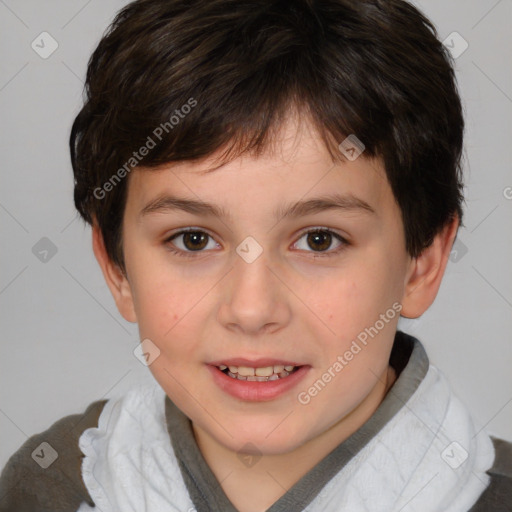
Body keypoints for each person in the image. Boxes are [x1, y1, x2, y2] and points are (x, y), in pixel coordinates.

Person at [1, 0, 511, 510]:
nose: (251, 309)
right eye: (193, 240)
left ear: (421, 263)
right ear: (118, 270)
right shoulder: (51, 486)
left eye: (319, 240)